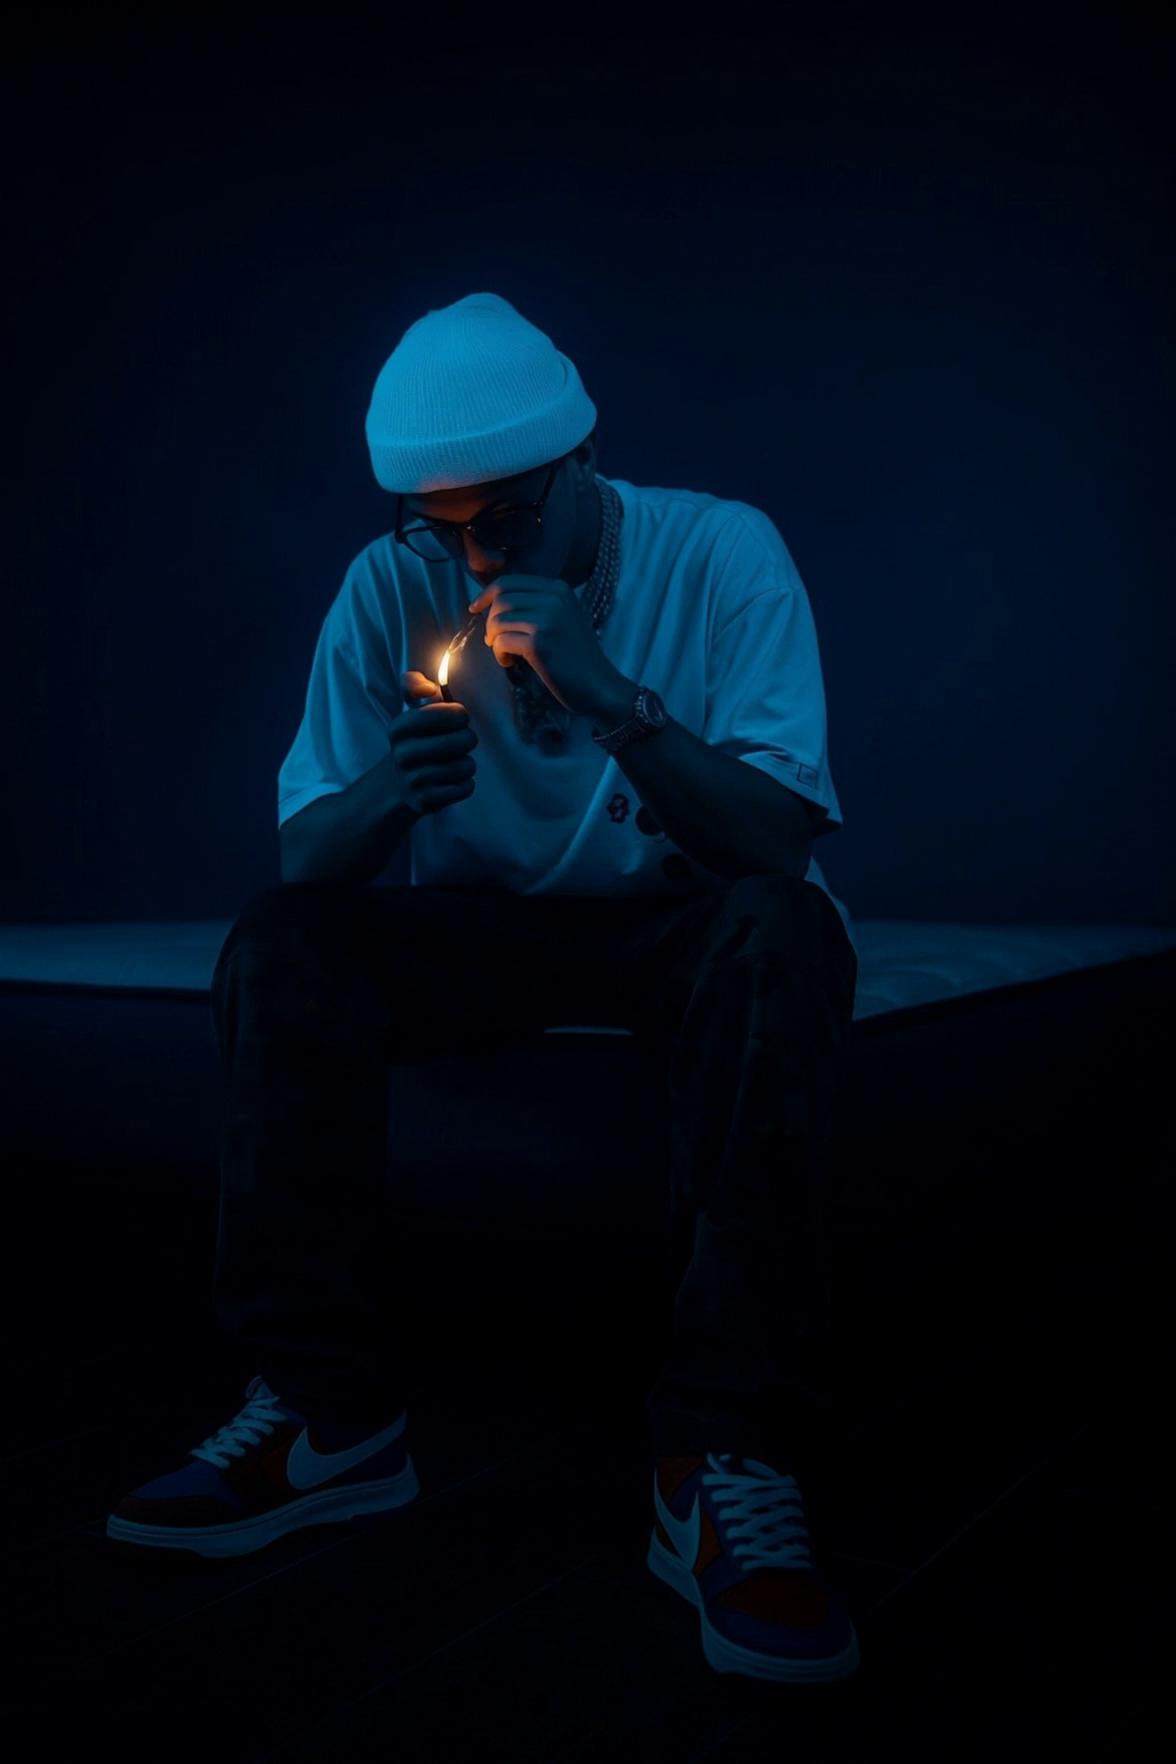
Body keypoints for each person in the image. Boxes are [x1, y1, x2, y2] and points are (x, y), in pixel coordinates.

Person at [107, 293, 862, 1684]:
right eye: (438, 527)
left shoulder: (719, 549)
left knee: (785, 932)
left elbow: (776, 843)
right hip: (487, 925)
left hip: (686, 921)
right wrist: (390, 797)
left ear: (584, 466)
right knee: (279, 942)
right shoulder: (386, 581)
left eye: (504, 521)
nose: (470, 558)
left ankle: (724, 1452)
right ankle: (330, 1418)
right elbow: (305, 863)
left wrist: (611, 696)